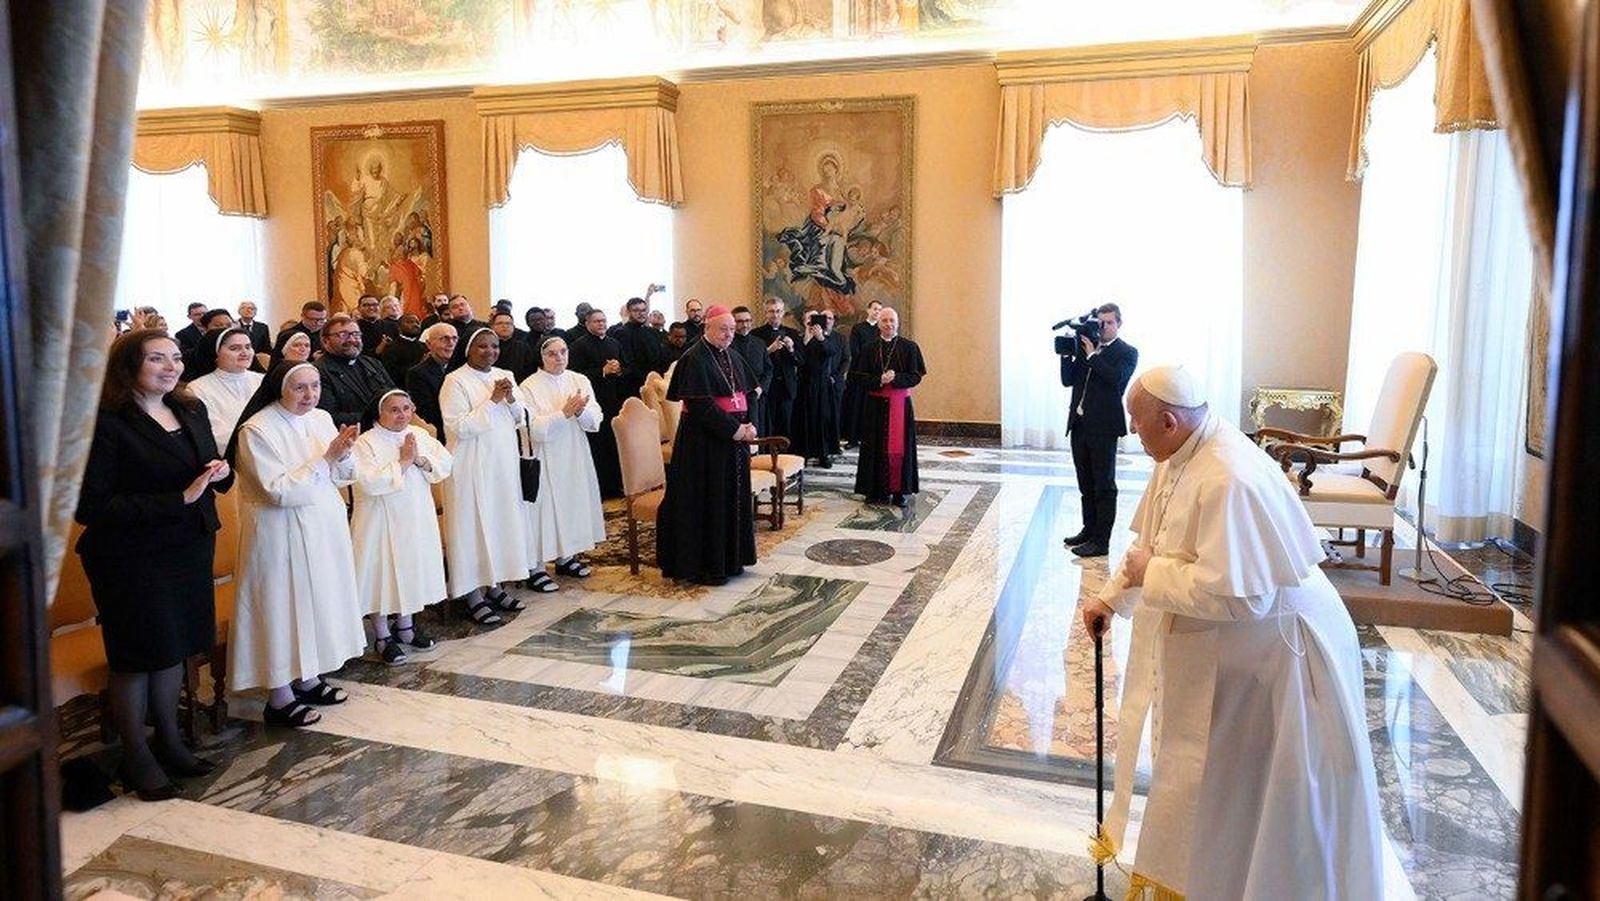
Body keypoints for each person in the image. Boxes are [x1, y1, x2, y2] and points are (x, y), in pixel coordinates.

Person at [1080, 365, 1382, 900]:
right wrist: (1110, 595)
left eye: (1136, 420)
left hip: (1280, 663)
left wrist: (1152, 575)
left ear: (1169, 420)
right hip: (1232, 656)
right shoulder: (1180, 452)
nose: (1131, 430)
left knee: (1266, 801)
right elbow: (1153, 543)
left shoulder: (1228, 477)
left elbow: (1244, 595)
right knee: (1214, 787)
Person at [75, 330, 234, 799]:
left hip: (188, 546)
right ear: (128, 366)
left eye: (177, 358)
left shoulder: (191, 408)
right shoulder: (106, 422)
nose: (171, 367)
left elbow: (206, 466)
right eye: (157, 359)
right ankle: (136, 755)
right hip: (130, 558)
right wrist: (176, 499)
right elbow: (91, 507)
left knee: (174, 647)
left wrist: (218, 473)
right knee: (136, 656)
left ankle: (170, 741)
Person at [226, 362, 367, 729]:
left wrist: (345, 452)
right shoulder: (256, 429)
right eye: (300, 388)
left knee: (314, 601)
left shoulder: (320, 418)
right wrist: (327, 458)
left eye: (315, 386)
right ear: (279, 389)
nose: (310, 395)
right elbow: (277, 491)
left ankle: (307, 677)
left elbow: (341, 475)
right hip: (279, 532)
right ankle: (279, 695)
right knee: (281, 607)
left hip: (322, 527)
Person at [657, 306, 757, 586]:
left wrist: (749, 425)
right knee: (710, 501)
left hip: (732, 444)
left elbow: (747, 394)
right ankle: (707, 567)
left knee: (731, 500)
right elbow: (701, 406)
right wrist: (735, 430)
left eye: (732, 330)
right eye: (723, 329)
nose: (728, 335)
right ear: (707, 329)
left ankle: (730, 559)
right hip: (704, 445)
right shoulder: (693, 358)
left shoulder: (732, 355)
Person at [439, 329, 532, 626]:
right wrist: (492, 400)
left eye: (494, 346)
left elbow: (521, 418)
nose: (490, 351)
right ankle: (473, 595)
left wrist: (511, 399)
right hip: (470, 467)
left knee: (500, 524)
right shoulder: (454, 380)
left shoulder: (505, 374)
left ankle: (495, 586)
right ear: (468, 349)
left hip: (502, 464)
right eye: (482, 346)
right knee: (472, 529)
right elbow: (459, 428)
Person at [351, 389, 452, 664]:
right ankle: (382, 635)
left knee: (410, 570)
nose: (402, 415)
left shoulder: (419, 435)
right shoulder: (365, 442)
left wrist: (420, 459)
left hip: (415, 516)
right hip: (379, 521)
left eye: (407, 409)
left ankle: (406, 627)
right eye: (394, 410)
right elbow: (367, 482)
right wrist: (404, 462)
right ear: (380, 413)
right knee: (381, 576)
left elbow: (445, 464)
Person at [517, 337, 606, 592]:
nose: (559, 358)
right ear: (541, 357)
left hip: (575, 453)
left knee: (571, 506)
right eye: (552, 354)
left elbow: (595, 421)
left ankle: (566, 557)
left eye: (563, 352)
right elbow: (533, 429)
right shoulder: (529, 386)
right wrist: (564, 413)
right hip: (544, 457)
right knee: (543, 511)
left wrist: (580, 413)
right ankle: (535, 568)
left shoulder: (579, 380)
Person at [1063, 302, 1138, 558]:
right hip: (1080, 424)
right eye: (1100, 323)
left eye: (1109, 323)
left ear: (1119, 324)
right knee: (1085, 481)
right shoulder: (1086, 348)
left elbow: (1116, 380)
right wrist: (1067, 353)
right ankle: (1088, 530)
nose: (1104, 327)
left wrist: (1093, 355)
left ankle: (1101, 541)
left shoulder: (1127, 352)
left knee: (1104, 484)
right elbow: (1068, 380)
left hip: (1104, 427)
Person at [850, 307, 925, 507]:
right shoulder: (869, 348)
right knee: (873, 447)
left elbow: (916, 376)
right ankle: (875, 491)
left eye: (892, 320)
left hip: (900, 404)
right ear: (879, 323)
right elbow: (857, 376)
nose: (889, 325)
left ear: (897, 322)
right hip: (875, 405)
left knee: (899, 449)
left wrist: (897, 378)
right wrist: (878, 380)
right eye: (884, 321)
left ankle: (900, 491)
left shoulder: (910, 347)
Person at [568, 308, 627, 498]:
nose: (601, 324)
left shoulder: (614, 343)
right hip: (592, 404)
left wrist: (619, 370)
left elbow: (627, 368)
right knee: (598, 446)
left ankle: (615, 485)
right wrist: (602, 371)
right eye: (596, 321)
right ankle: (600, 488)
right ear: (587, 324)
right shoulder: (578, 346)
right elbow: (574, 375)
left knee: (613, 444)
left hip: (613, 401)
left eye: (603, 320)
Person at [186, 327, 266, 449]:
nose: (245, 353)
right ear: (216, 354)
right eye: (235, 348)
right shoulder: (197, 388)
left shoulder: (263, 380)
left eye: (248, 347)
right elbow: (215, 434)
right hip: (235, 455)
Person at [315, 314, 396, 428]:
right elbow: (328, 416)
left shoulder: (373, 363)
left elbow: (393, 393)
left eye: (356, 334)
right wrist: (377, 417)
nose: (352, 340)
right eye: (343, 335)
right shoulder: (318, 372)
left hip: (388, 430)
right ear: (325, 341)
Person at [792, 309, 843, 467]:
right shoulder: (800, 339)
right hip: (804, 385)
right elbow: (798, 360)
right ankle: (804, 453)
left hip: (822, 386)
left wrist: (820, 337)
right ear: (804, 321)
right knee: (804, 420)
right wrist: (807, 338)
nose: (812, 322)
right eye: (809, 319)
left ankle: (823, 454)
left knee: (823, 420)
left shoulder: (827, 338)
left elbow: (831, 352)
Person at [750, 298, 801, 440]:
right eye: (771, 311)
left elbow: (800, 361)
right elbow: (753, 362)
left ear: (783, 312)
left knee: (785, 424)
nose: (775, 314)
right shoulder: (756, 334)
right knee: (767, 424)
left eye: (778, 311)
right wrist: (768, 350)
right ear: (765, 313)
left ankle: (784, 457)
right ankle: (767, 457)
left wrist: (791, 349)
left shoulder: (793, 333)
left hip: (787, 387)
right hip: (767, 387)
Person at [841, 300, 882, 447]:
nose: (877, 312)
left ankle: (868, 439)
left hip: (874, 376)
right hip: (858, 373)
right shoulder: (858, 328)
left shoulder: (880, 330)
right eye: (875, 309)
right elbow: (856, 351)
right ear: (868, 310)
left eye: (879, 310)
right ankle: (852, 439)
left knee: (870, 408)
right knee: (855, 406)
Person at [405, 323, 458, 437]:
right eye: (444, 339)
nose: (451, 344)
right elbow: (427, 412)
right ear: (429, 344)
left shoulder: (463, 368)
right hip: (442, 432)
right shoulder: (418, 374)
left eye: (454, 338)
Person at [730, 305, 773, 435]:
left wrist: (761, 388)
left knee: (759, 432)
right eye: (740, 321)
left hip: (758, 395)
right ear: (733, 322)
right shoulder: (728, 343)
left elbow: (768, 369)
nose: (745, 324)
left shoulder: (759, 343)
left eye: (748, 321)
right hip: (736, 397)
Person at [613, 296, 661, 397]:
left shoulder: (652, 332)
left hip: (654, 383)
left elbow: (658, 358)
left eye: (644, 310)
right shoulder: (622, 333)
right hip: (633, 386)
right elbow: (628, 362)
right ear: (629, 312)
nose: (641, 313)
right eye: (636, 310)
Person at [379, 313, 427, 386]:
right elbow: (391, 374)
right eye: (409, 322)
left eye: (417, 322)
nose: (415, 325)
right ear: (399, 327)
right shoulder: (391, 348)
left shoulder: (424, 346)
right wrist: (420, 365)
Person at [489, 309, 536, 381]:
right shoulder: (488, 347)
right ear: (492, 326)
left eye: (508, 323)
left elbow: (531, 371)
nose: (504, 326)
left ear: (513, 327)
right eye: (500, 323)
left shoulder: (523, 347)